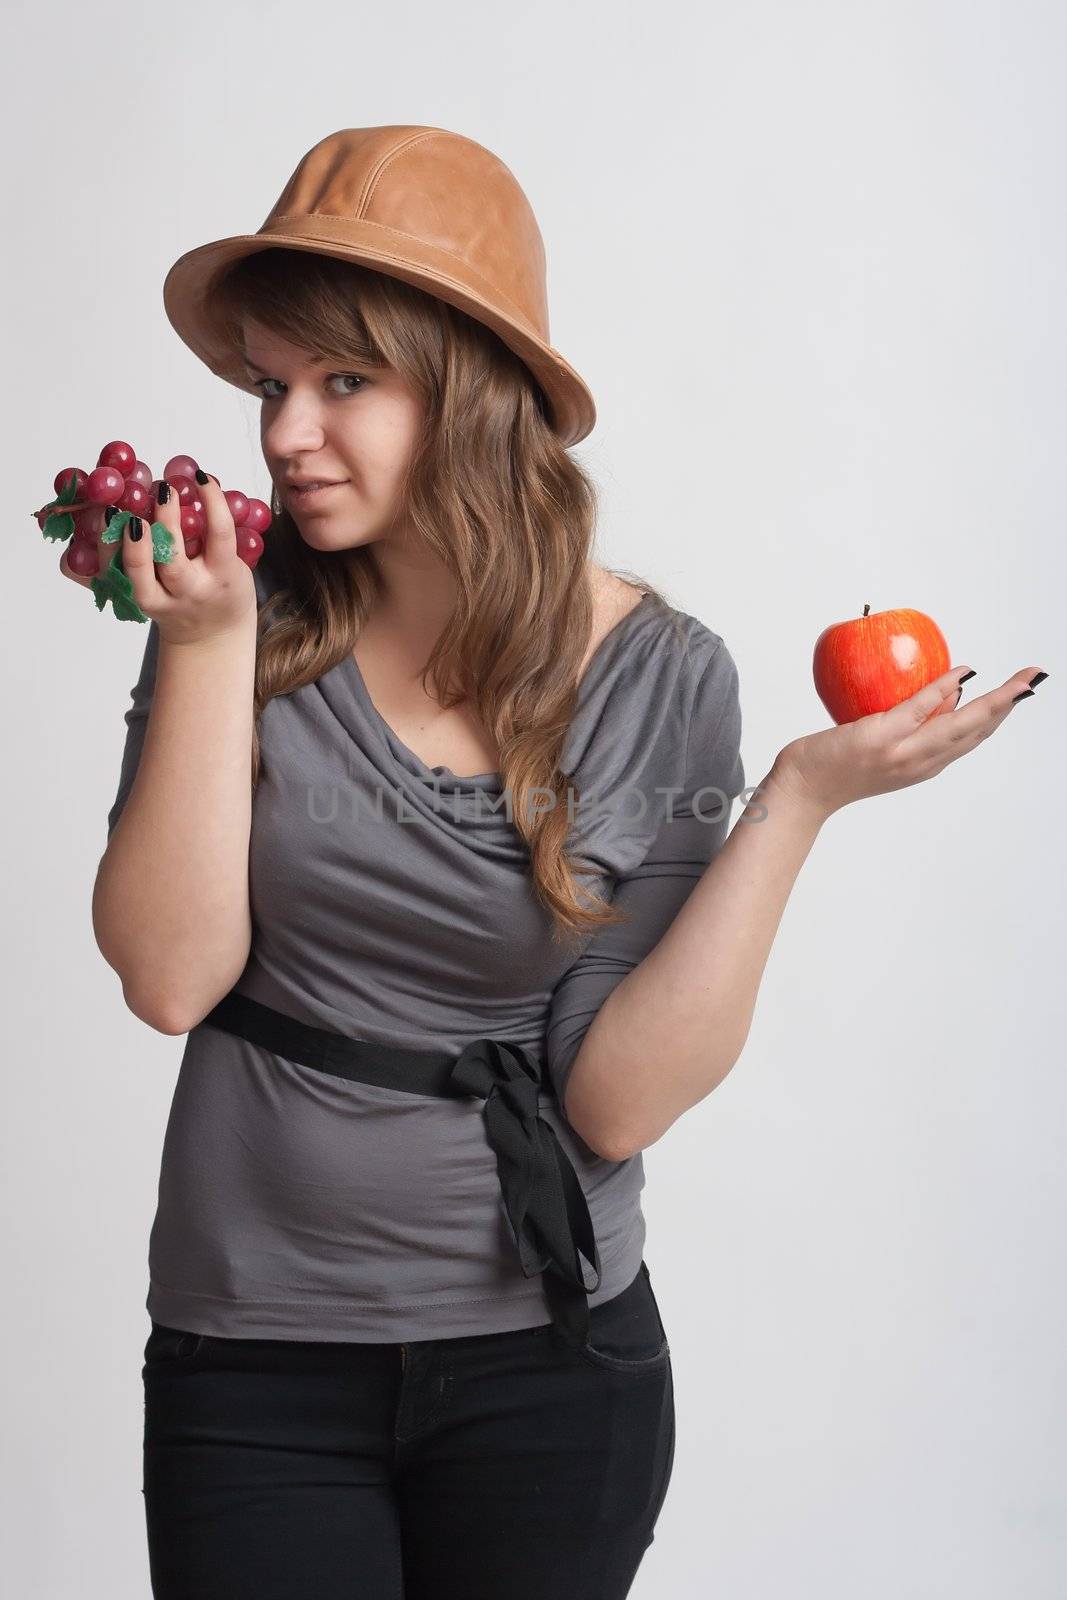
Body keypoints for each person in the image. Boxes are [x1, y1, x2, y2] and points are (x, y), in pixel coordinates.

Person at [74, 126, 1047, 1600]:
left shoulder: (664, 678)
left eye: (344, 382)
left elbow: (612, 1096)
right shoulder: (233, 609)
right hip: (253, 1360)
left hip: (551, 1366)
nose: (283, 433)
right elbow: (168, 975)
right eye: (273, 384)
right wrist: (203, 643)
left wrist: (794, 801)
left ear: (470, 391)